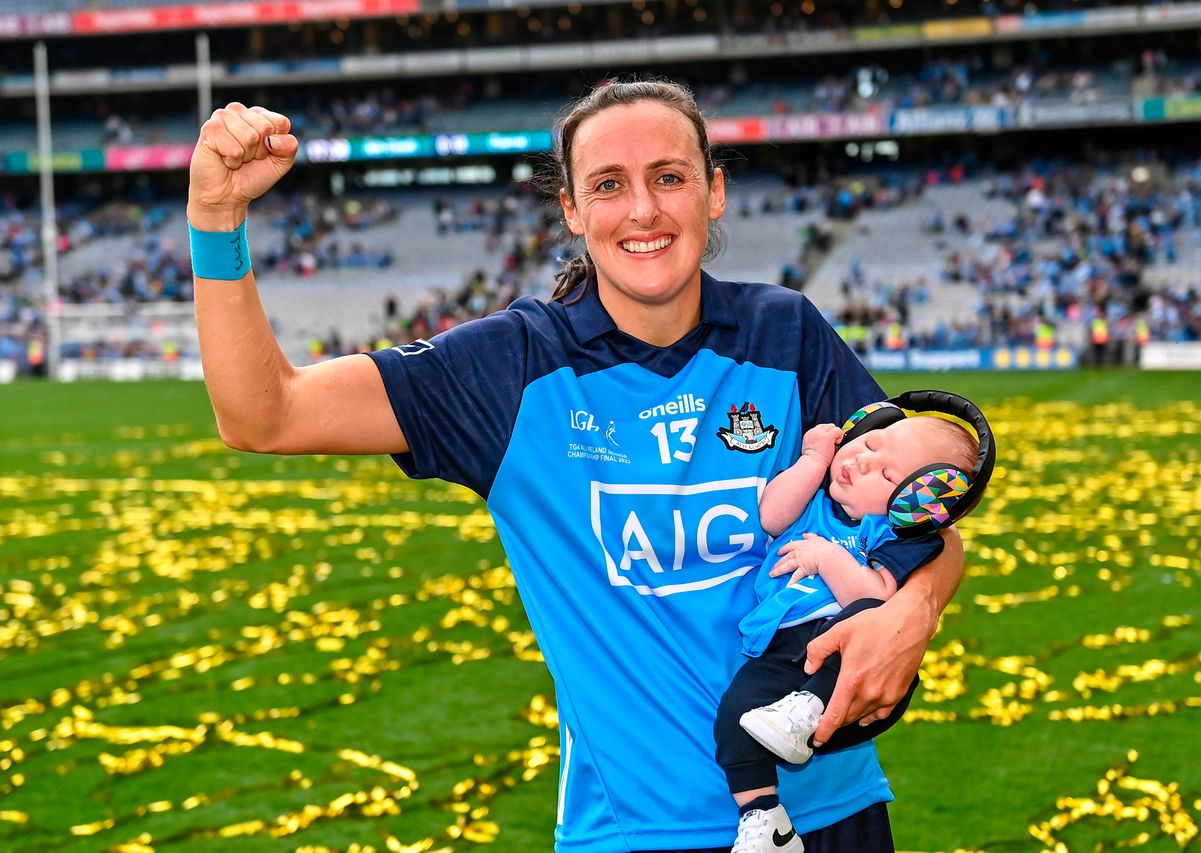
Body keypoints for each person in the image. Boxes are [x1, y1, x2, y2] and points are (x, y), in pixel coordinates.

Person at [186, 78, 966, 852]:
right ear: (570, 209)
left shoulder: (786, 333)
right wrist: (216, 220)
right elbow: (264, 414)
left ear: (714, 191)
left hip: (834, 812)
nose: (643, 210)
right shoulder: (510, 368)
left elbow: (925, 518)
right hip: (634, 832)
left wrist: (913, 612)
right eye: (608, 185)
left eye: (669, 177)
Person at [715, 406, 987, 853]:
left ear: (913, 504)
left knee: (856, 624)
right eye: (870, 443)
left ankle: (810, 706)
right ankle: (765, 818)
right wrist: (813, 462)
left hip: (839, 646)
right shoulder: (814, 500)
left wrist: (827, 558)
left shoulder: (891, 534)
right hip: (780, 643)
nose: (862, 461)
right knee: (736, 716)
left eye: (885, 474)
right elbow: (770, 517)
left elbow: (877, 598)